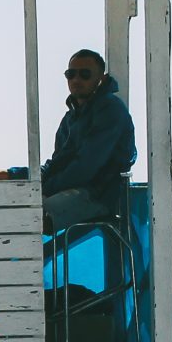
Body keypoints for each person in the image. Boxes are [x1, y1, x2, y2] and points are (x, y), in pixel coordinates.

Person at [18, 49, 134, 232]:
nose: (76, 80)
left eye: (85, 74)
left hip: (99, 195)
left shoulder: (110, 111)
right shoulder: (71, 118)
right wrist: (15, 175)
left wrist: (43, 188)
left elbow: (86, 167)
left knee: (31, 216)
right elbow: (56, 165)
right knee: (15, 205)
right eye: (71, 74)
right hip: (73, 190)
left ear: (101, 79)